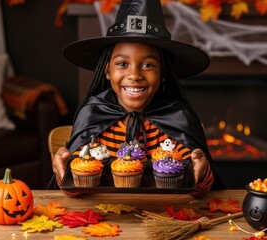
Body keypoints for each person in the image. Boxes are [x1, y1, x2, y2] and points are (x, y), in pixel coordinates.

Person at [52, 0, 225, 197]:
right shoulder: (92, 114)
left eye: (148, 65)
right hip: (105, 216)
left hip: (164, 216)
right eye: (122, 63)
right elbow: (76, 191)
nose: (134, 75)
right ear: (107, 70)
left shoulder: (177, 118)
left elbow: (197, 192)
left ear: (163, 72)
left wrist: (200, 175)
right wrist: (63, 170)